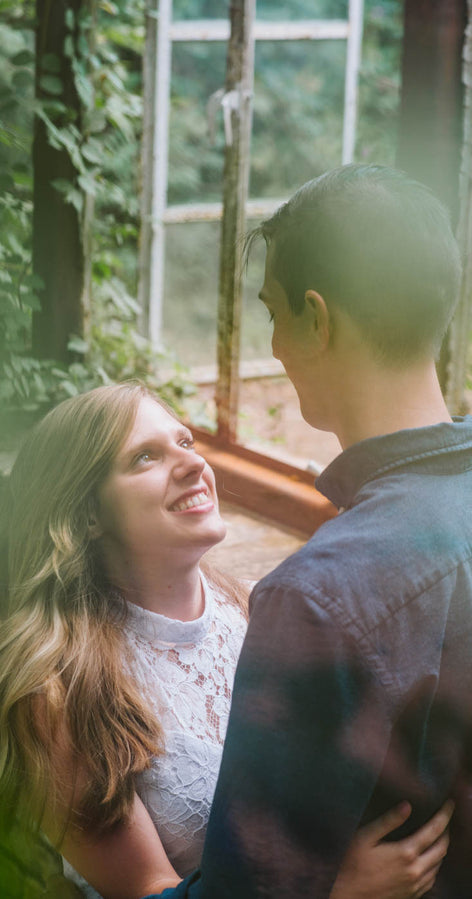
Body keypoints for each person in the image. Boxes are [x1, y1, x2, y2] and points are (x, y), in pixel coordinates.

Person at [0, 381, 450, 899]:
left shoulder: (263, 608)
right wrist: (336, 893)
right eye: (145, 457)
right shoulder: (56, 693)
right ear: (87, 515)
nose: (193, 465)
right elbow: (150, 889)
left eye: (187, 443)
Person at [142, 164, 472, 899]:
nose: (278, 346)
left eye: (273, 313)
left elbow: (244, 890)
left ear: (317, 320)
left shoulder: (319, 596)